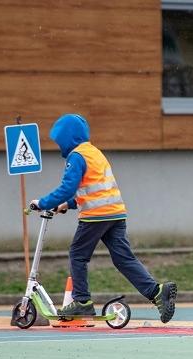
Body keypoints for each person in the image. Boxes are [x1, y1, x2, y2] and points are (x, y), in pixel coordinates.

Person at [30, 114, 177, 323]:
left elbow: (68, 188)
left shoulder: (77, 156)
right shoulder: (94, 153)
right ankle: (156, 292)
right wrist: (68, 204)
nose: (58, 145)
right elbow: (95, 190)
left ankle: (81, 301)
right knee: (123, 259)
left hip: (96, 217)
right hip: (115, 214)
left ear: (67, 137)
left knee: (77, 255)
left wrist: (42, 203)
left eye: (59, 140)